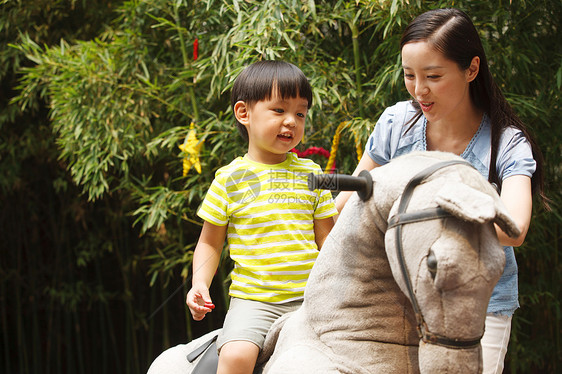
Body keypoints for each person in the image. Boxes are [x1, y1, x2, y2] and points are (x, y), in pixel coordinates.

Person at [335, 8, 547, 374]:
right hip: (393, 302)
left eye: (433, 76)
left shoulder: (505, 144)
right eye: (409, 76)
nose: (420, 90)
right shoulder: (396, 124)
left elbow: (512, 228)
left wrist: (413, 209)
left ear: (471, 69)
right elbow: (350, 205)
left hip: (474, 310)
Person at [186, 60, 337, 374]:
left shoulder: (312, 174)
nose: (291, 122)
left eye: (300, 113)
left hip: (311, 299)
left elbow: (330, 241)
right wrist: (199, 284)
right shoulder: (230, 179)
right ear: (244, 113)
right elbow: (210, 243)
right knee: (236, 357)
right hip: (255, 302)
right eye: (279, 111)